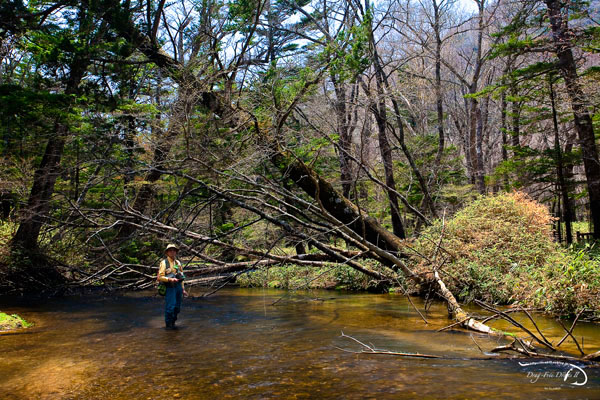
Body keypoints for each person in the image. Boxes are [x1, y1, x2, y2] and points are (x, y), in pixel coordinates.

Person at [157, 244, 188, 329]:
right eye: (170, 250)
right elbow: (160, 277)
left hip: (178, 287)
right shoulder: (164, 263)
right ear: (167, 252)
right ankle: (168, 326)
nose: (172, 252)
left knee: (177, 308)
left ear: (176, 252)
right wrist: (170, 279)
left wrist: (183, 289)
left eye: (174, 250)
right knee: (170, 307)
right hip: (169, 287)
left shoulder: (178, 262)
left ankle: (173, 323)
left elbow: (182, 276)